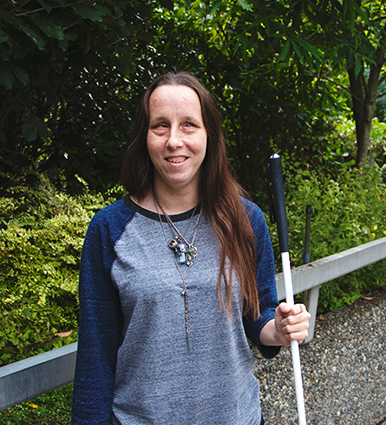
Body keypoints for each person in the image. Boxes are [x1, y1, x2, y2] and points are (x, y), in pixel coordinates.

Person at [71, 71, 311, 425]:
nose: (174, 140)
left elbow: (257, 315)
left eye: (188, 125)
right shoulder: (109, 230)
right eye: (160, 126)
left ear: (208, 135)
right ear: (144, 137)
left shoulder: (245, 220)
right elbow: (96, 352)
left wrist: (277, 329)